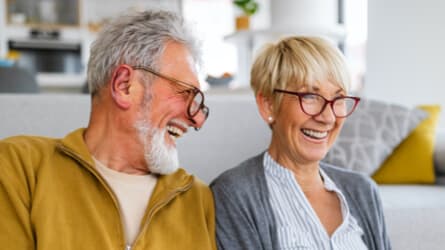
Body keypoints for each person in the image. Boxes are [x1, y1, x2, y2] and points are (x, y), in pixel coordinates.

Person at [0, 10, 216, 250]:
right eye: (187, 93)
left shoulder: (196, 197)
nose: (198, 120)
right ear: (124, 86)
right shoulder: (20, 167)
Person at [211, 36, 391, 250]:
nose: (328, 117)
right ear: (268, 105)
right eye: (309, 97)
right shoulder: (234, 194)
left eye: (339, 99)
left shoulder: (363, 190)